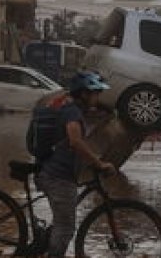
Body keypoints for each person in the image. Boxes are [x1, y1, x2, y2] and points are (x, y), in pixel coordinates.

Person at [35, 71, 116, 258]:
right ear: (84, 94)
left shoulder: (69, 108)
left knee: (62, 223)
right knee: (65, 227)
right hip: (59, 177)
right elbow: (75, 141)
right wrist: (98, 163)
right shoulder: (72, 112)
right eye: (95, 93)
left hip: (57, 173)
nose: (97, 98)